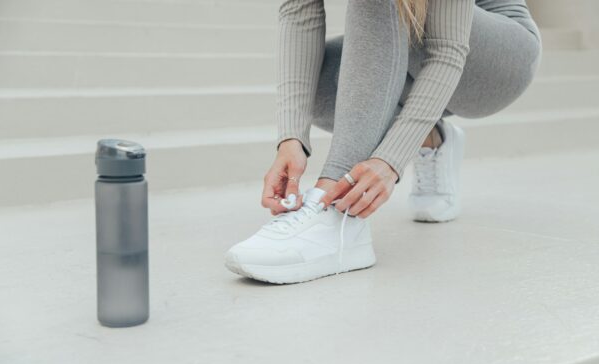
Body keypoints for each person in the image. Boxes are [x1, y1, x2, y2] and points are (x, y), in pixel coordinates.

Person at [225, 0, 542, 284]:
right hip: (417, 38)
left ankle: (335, 210)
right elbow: (299, 12)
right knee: (322, 84)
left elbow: (447, 50)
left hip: (498, 59)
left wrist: (391, 160)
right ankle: (432, 138)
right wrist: (291, 137)